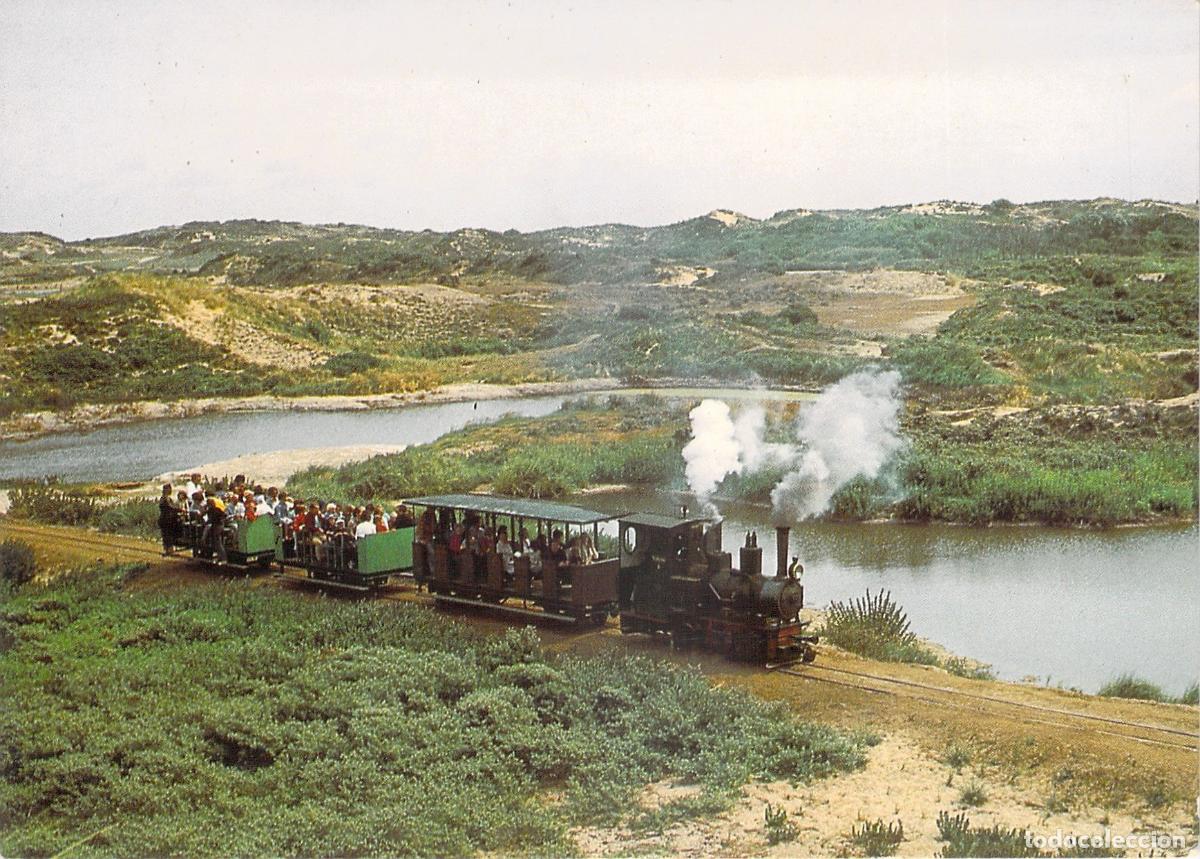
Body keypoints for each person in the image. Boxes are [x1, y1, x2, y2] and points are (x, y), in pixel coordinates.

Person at [205, 491, 228, 565]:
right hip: (221, 525)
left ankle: (223, 558)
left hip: (217, 527)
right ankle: (220, 557)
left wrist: (205, 523)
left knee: (218, 543)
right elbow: (225, 515)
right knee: (218, 542)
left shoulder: (211, 510)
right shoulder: (218, 509)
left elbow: (210, 519)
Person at [157, 483, 180, 555]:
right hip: (166, 519)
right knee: (167, 535)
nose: (171, 490)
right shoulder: (165, 498)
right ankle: (168, 550)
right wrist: (180, 509)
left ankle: (169, 550)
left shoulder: (165, 498)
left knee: (167, 535)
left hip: (167, 519)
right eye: (169, 489)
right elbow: (170, 507)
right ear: (166, 490)